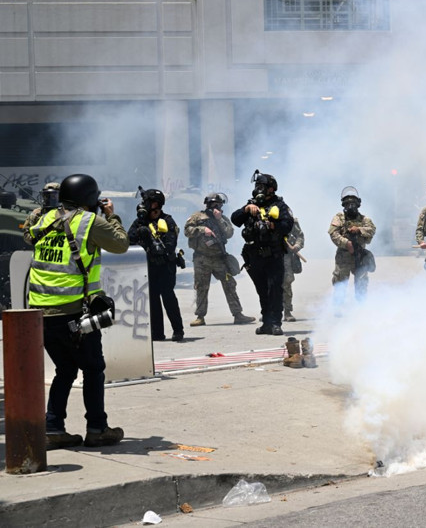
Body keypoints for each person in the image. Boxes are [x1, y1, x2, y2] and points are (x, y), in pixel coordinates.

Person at [27, 173, 129, 449]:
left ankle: (53, 428)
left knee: (65, 369)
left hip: (40, 313)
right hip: (74, 312)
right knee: (94, 368)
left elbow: (28, 234)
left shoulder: (47, 219)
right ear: (90, 199)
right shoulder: (90, 222)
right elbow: (121, 244)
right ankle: (97, 428)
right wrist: (111, 216)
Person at [231, 171, 293, 336]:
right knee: (262, 291)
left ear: (271, 189)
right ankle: (266, 323)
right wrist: (246, 209)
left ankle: (276, 323)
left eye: (262, 186)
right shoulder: (251, 205)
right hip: (255, 257)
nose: (258, 189)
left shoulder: (279, 206)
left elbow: (288, 224)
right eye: (256, 186)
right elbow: (235, 219)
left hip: (273, 255)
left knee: (275, 290)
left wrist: (272, 226)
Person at [184, 193, 255, 327]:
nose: (216, 207)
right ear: (208, 205)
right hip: (202, 258)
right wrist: (202, 229)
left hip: (219, 258)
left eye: (218, 204)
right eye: (213, 204)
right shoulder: (197, 216)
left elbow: (229, 233)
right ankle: (200, 316)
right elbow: (187, 230)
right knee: (201, 287)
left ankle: (238, 314)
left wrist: (219, 219)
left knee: (230, 285)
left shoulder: (223, 218)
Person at [127, 188, 184, 342]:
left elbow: (170, 244)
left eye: (149, 202)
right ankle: (157, 332)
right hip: (148, 268)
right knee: (152, 300)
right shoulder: (140, 221)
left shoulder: (167, 220)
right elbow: (128, 240)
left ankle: (178, 331)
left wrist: (152, 240)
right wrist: (140, 228)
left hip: (165, 267)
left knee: (168, 298)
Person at [328, 186, 376, 310]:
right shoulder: (339, 218)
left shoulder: (365, 219)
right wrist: (346, 243)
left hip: (359, 255)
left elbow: (372, 230)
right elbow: (333, 234)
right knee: (340, 282)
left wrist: (359, 229)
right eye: (348, 203)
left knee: (361, 282)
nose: (351, 206)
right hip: (343, 256)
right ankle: (338, 308)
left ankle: (360, 307)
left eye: (353, 203)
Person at [282, 217, 305, 322]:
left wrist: (297, 246)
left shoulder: (289, 218)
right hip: (270, 255)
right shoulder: (264, 215)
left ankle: (287, 311)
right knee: (269, 284)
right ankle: (269, 312)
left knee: (287, 282)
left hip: (286, 256)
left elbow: (299, 236)